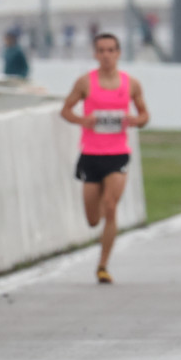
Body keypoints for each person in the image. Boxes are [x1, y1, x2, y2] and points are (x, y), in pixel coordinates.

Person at [61, 33, 150, 282]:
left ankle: (102, 266)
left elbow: (145, 116)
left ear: (118, 53)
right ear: (95, 54)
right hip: (91, 154)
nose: (106, 55)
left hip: (117, 154)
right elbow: (65, 110)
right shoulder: (85, 83)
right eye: (101, 50)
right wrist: (82, 120)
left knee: (111, 207)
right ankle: (100, 208)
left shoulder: (130, 84)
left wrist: (135, 120)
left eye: (111, 50)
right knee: (92, 219)